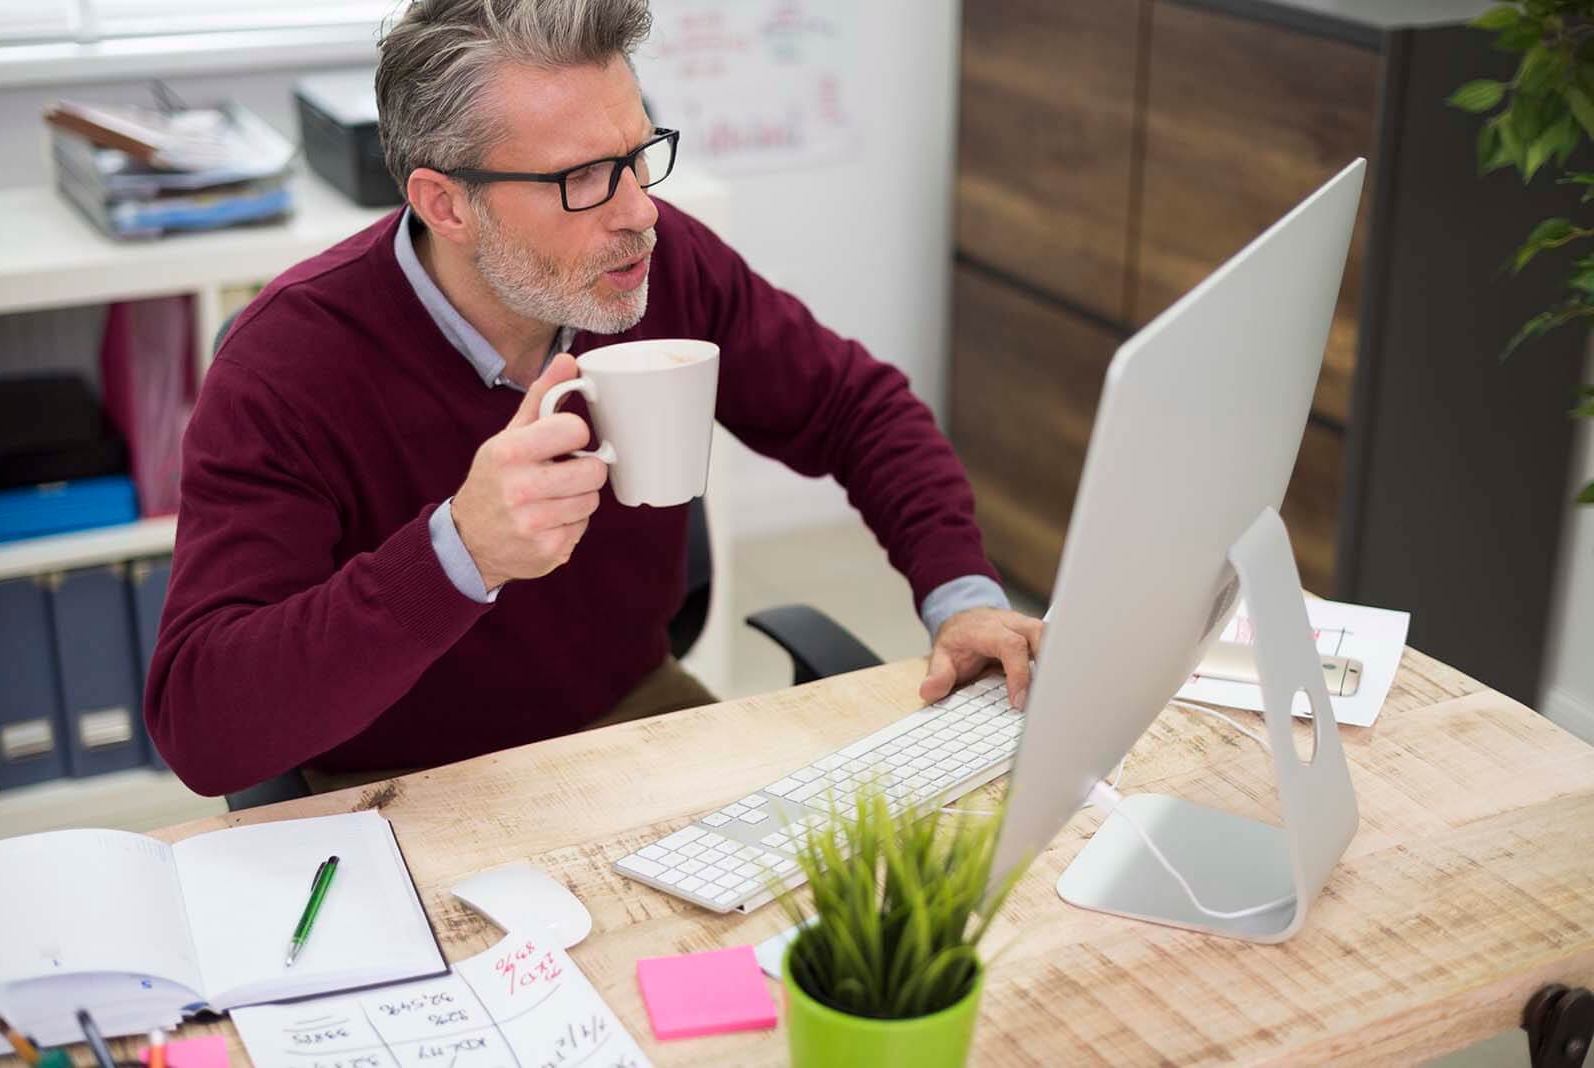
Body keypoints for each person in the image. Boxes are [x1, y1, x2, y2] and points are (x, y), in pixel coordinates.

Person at [145, 0, 1042, 798]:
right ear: (445, 204)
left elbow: (857, 408)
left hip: (632, 716)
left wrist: (959, 598)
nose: (640, 212)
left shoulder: (659, 262)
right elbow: (201, 720)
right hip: (397, 783)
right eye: (583, 179)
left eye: (640, 155)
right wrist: (458, 553)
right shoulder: (288, 365)